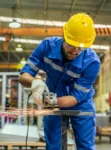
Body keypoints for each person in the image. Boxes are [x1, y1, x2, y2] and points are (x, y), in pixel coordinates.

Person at [19, 13, 100, 150]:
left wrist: (50, 101)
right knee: (53, 146)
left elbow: (74, 98)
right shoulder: (46, 47)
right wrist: (35, 82)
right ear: (64, 35)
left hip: (81, 103)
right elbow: (23, 75)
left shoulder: (92, 62)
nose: (75, 51)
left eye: (80, 48)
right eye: (71, 45)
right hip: (51, 99)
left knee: (85, 147)